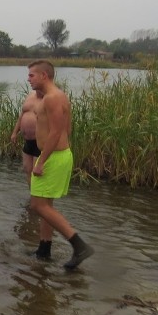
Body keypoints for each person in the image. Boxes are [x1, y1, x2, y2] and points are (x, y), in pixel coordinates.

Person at [26, 60, 94, 269]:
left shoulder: (53, 98)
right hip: (57, 155)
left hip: (53, 157)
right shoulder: (57, 96)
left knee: (37, 205)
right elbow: (68, 128)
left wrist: (42, 161)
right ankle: (44, 249)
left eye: (32, 75)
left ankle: (79, 245)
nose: (28, 79)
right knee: (46, 206)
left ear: (44, 76)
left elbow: (56, 132)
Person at [10, 89, 44, 184]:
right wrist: (14, 132)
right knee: (27, 168)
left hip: (40, 141)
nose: (29, 79)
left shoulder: (49, 98)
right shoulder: (30, 95)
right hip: (28, 140)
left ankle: (38, 196)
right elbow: (22, 115)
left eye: (32, 76)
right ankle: (31, 196)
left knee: (36, 171)